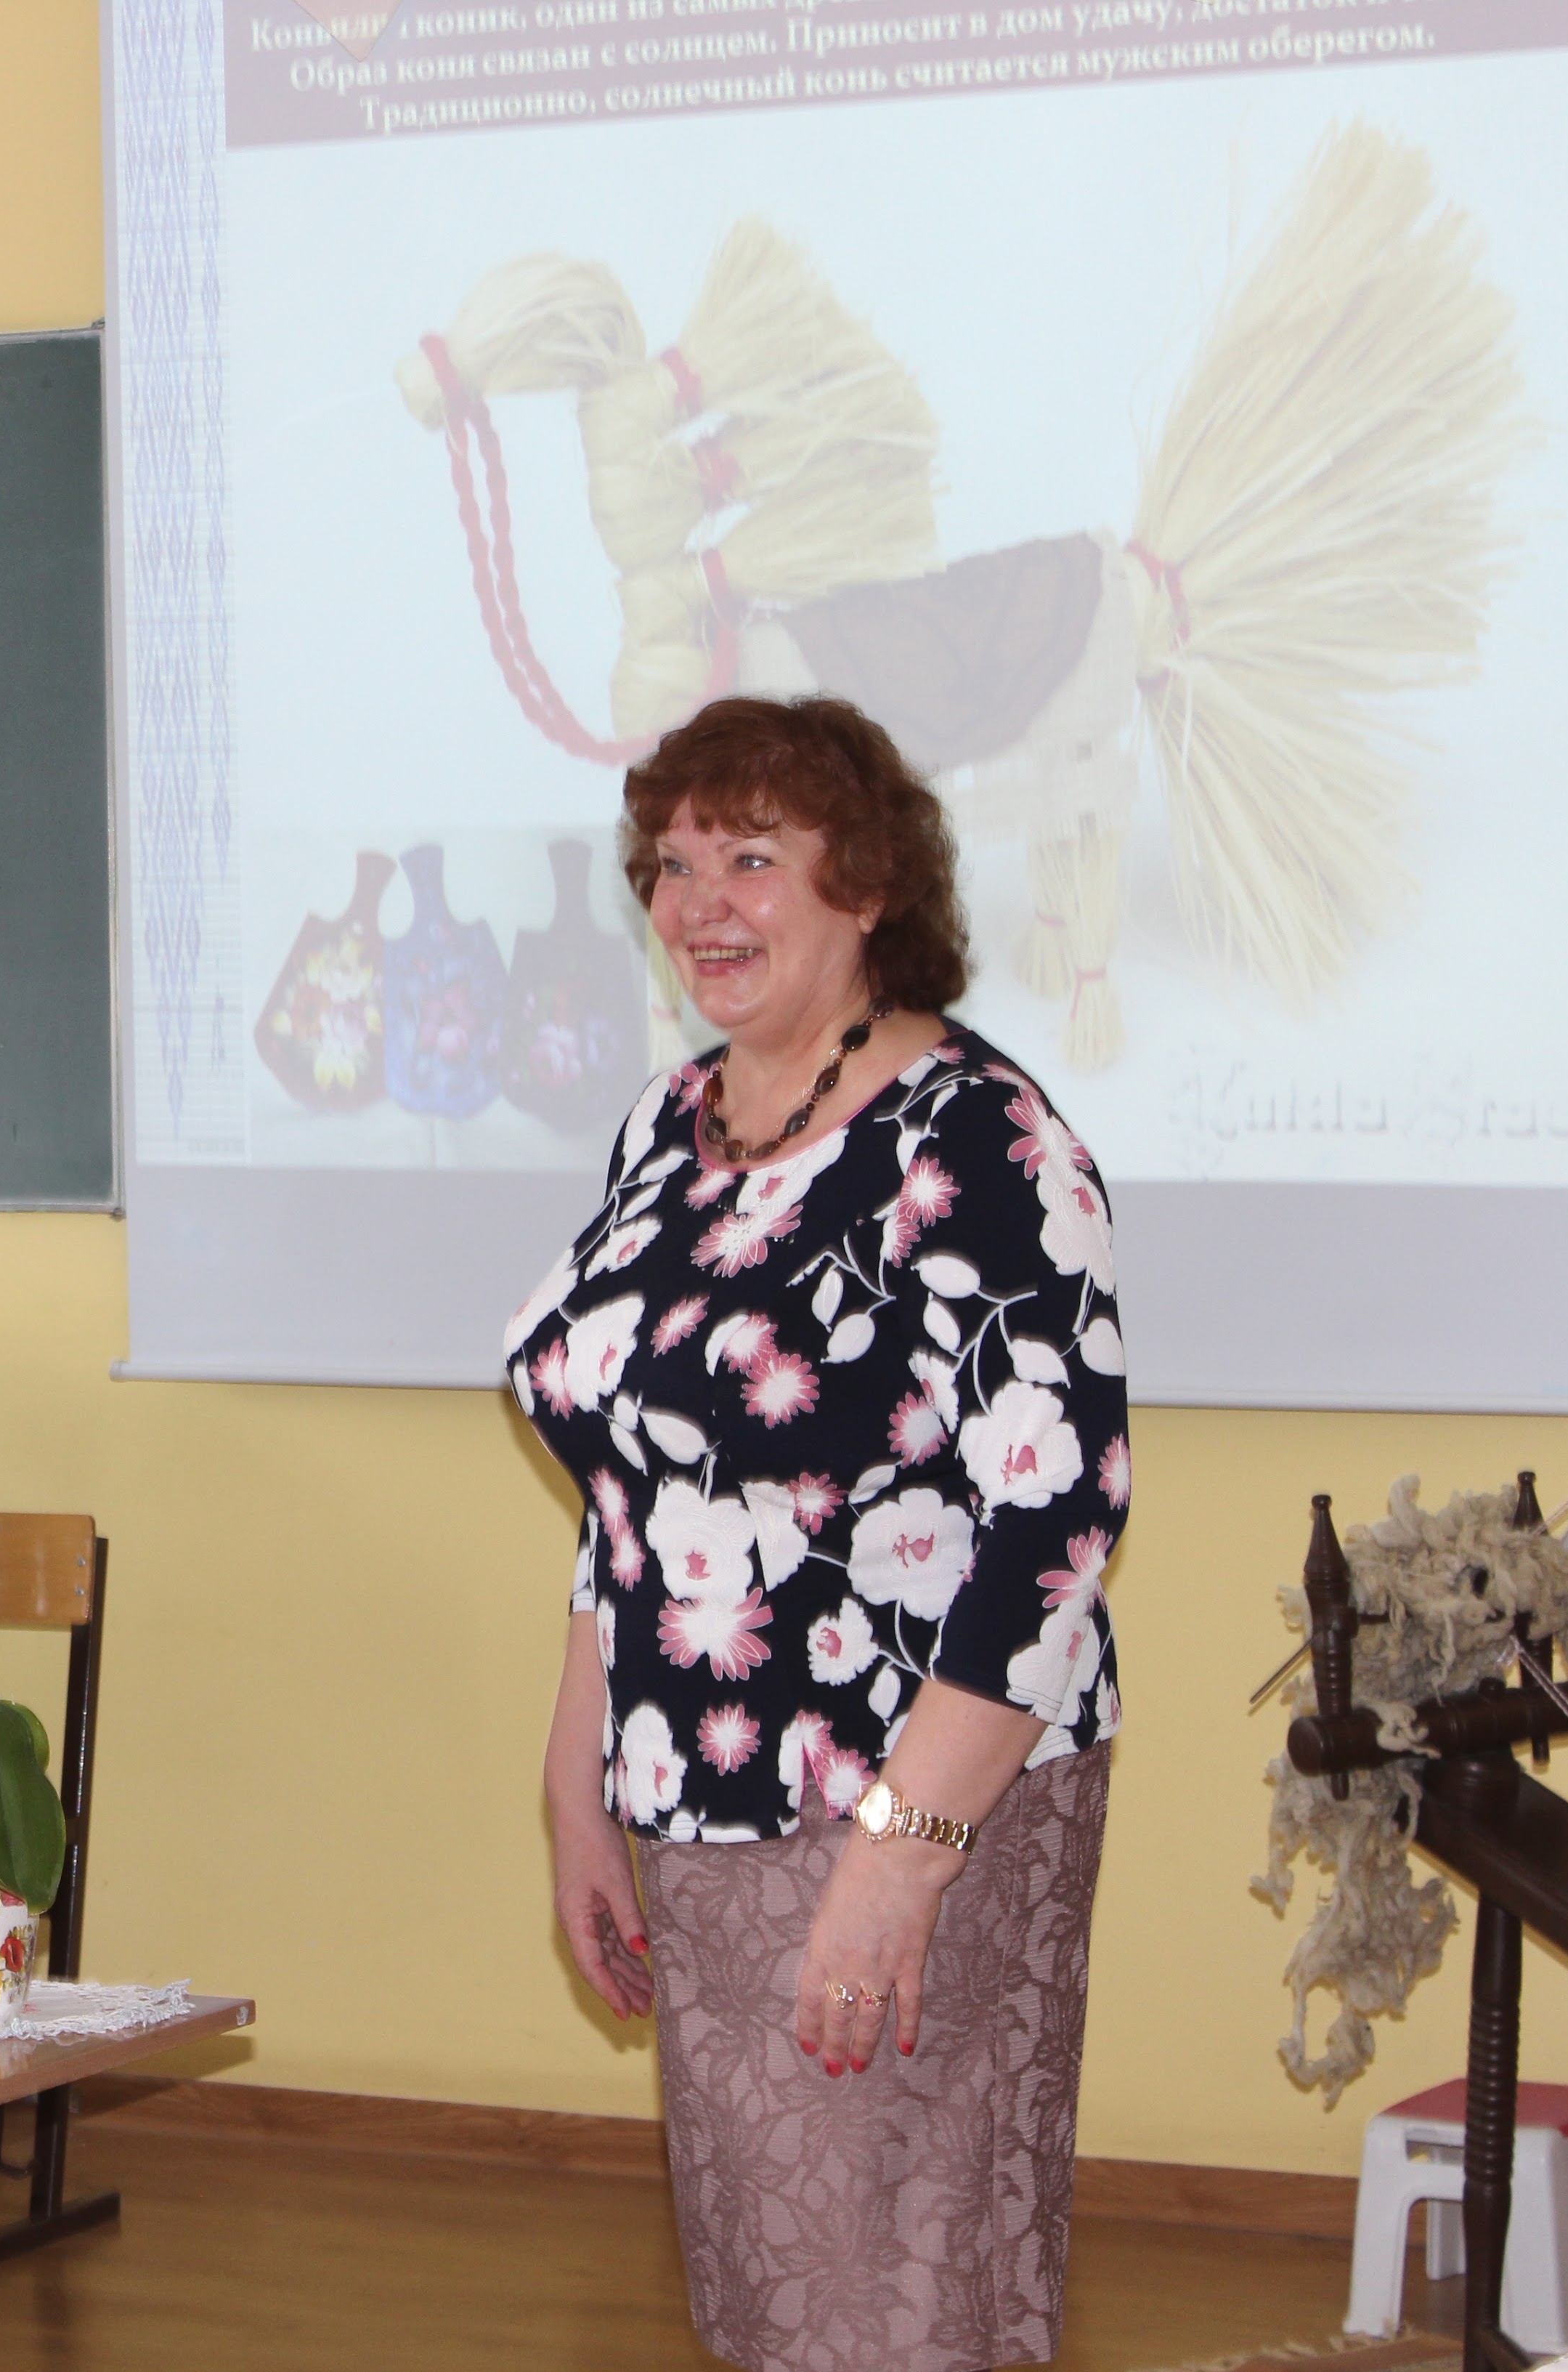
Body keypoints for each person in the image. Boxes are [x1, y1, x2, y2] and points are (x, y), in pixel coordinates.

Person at [515, 696, 1126, 2372]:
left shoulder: (976, 1138)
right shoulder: (668, 1127)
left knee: (896, 2302)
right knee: (776, 2298)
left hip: (908, 1794)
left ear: (864, 882)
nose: (697, 903)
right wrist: (576, 1781)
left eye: (751, 859)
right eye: (671, 863)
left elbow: (1057, 1516)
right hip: (696, 1802)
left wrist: (901, 1855)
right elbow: (636, 1485)